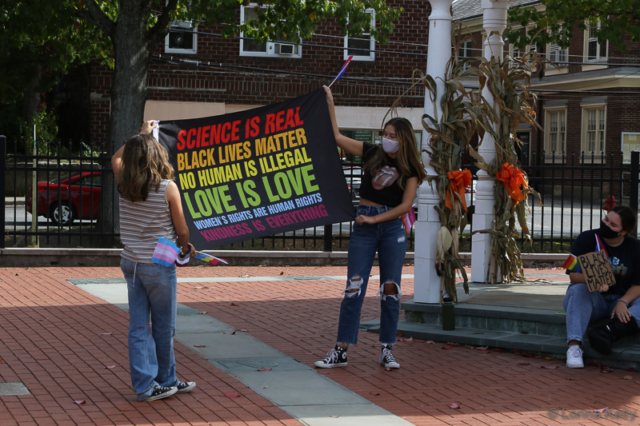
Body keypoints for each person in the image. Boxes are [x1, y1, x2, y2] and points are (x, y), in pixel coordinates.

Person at [315, 86, 426, 370]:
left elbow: (406, 206)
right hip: (365, 225)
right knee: (354, 287)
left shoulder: (411, 167)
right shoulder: (372, 153)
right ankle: (341, 349)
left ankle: (387, 349)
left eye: (392, 136)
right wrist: (330, 103)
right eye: (385, 135)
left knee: (391, 289)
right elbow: (336, 137)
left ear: (404, 140)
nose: (387, 140)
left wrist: (376, 220)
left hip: (389, 228)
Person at [111, 120, 197, 401]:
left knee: (138, 327)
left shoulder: (124, 182)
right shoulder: (168, 187)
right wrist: (184, 248)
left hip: (131, 263)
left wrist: (141, 134)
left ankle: (149, 385)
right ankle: (165, 378)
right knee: (163, 326)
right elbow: (182, 229)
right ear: (157, 156)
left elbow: (116, 157)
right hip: (159, 265)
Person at [563, 205, 640, 368]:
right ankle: (574, 347)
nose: (606, 225)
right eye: (606, 220)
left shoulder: (635, 247)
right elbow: (573, 275)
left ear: (623, 232)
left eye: (613, 225)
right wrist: (594, 281)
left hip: (619, 302)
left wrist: (623, 302)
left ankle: (608, 332)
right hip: (593, 301)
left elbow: (638, 285)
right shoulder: (587, 238)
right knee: (578, 289)